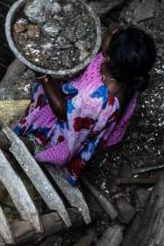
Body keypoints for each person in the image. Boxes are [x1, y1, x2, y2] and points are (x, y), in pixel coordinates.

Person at [13, 26, 156, 185]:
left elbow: (62, 112)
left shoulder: (95, 100)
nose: (113, 32)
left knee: (45, 113)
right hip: (93, 110)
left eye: (114, 37)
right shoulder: (128, 72)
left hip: (77, 121)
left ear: (108, 57)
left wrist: (43, 76)